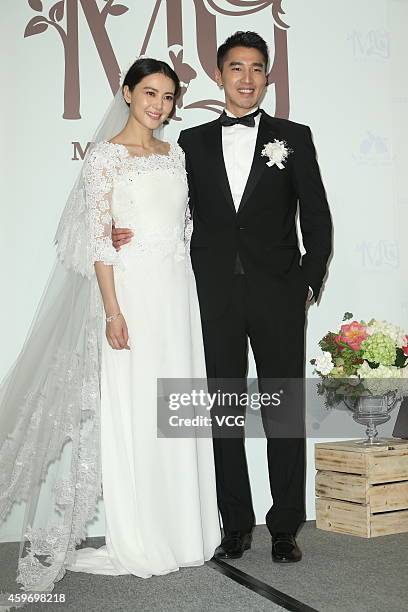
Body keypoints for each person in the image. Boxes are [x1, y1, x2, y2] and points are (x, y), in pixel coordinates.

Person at [0, 58, 220, 593]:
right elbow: (100, 240)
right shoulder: (104, 157)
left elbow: (182, 229)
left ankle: (186, 530)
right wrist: (114, 311)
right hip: (133, 298)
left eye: (168, 97)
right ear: (126, 94)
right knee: (138, 408)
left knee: (179, 404)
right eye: (150, 93)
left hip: (177, 297)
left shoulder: (176, 156)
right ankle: (142, 533)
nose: (159, 106)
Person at [112, 32, 333, 564]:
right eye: (236, 68)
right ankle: (235, 524)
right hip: (210, 296)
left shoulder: (294, 136)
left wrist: (305, 282)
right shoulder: (192, 144)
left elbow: (318, 218)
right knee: (222, 413)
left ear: (267, 74)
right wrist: (127, 231)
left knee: (283, 412)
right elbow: (167, 208)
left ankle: (284, 526)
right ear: (219, 74)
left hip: (279, 293)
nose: (247, 79)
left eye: (257, 68)